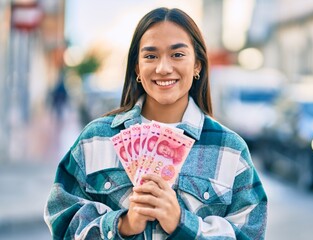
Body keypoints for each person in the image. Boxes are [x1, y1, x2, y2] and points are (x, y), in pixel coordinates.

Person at [44, 7, 267, 239]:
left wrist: (183, 223)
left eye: (177, 55)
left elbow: (250, 233)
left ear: (197, 65)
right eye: (150, 56)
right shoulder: (95, 139)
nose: (163, 68)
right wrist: (122, 225)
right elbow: (61, 219)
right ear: (137, 68)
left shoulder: (231, 149)